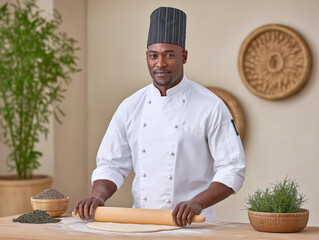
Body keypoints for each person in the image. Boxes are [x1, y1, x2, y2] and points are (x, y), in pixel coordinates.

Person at [73, 7, 246, 227]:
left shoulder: (211, 106)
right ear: (147, 57)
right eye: (154, 55)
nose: (160, 64)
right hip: (140, 225)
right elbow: (111, 164)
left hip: (195, 226)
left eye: (169, 55)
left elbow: (233, 168)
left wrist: (197, 203)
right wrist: (98, 196)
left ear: (184, 56)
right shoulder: (130, 106)